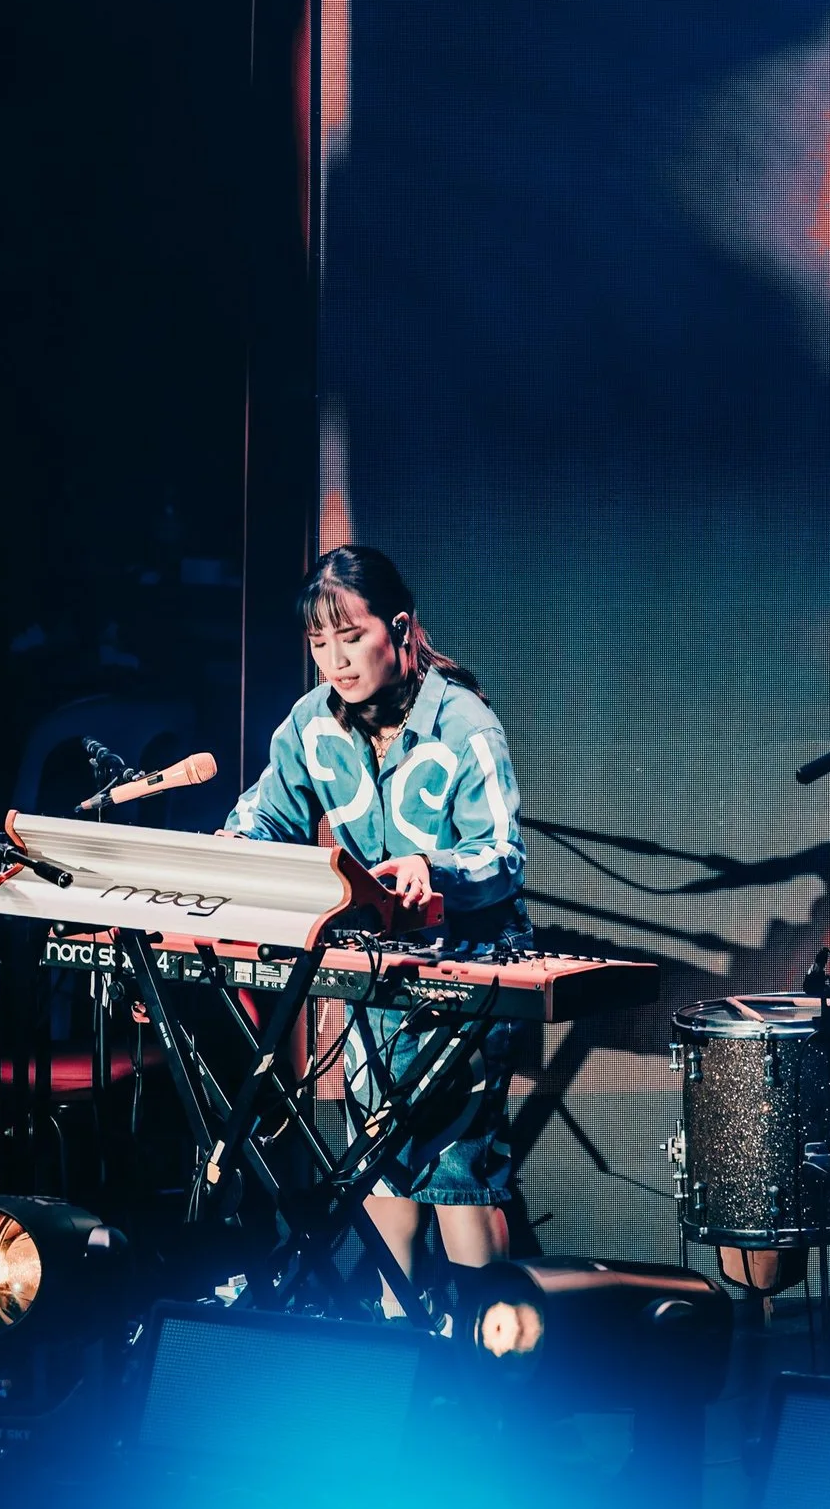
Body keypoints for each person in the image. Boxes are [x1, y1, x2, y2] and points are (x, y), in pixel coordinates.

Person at [224, 544, 529, 1311]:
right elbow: (263, 813)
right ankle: (395, 1344)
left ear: (399, 628)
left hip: (466, 968)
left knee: (456, 1169)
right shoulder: (309, 725)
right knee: (381, 1161)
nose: (336, 660)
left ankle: (484, 1357)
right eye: (319, 643)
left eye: (350, 637)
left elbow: (502, 853)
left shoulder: (463, 722)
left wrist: (438, 868)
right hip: (373, 973)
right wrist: (235, 845)